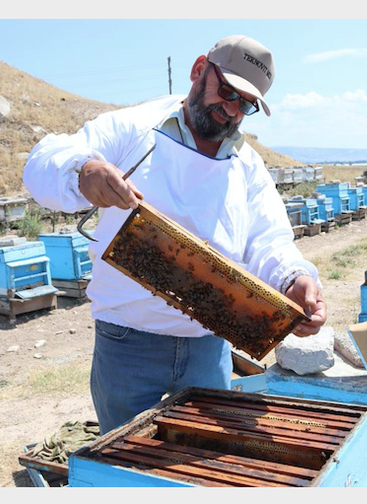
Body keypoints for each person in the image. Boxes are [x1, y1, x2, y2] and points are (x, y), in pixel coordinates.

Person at [23, 35, 326, 433]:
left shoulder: (248, 166)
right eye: (227, 91)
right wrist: (83, 171)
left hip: (208, 346)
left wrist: (295, 279)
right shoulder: (131, 128)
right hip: (127, 342)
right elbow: (42, 162)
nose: (231, 110)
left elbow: (269, 240)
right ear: (199, 70)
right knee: (123, 462)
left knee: (207, 460)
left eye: (245, 105)